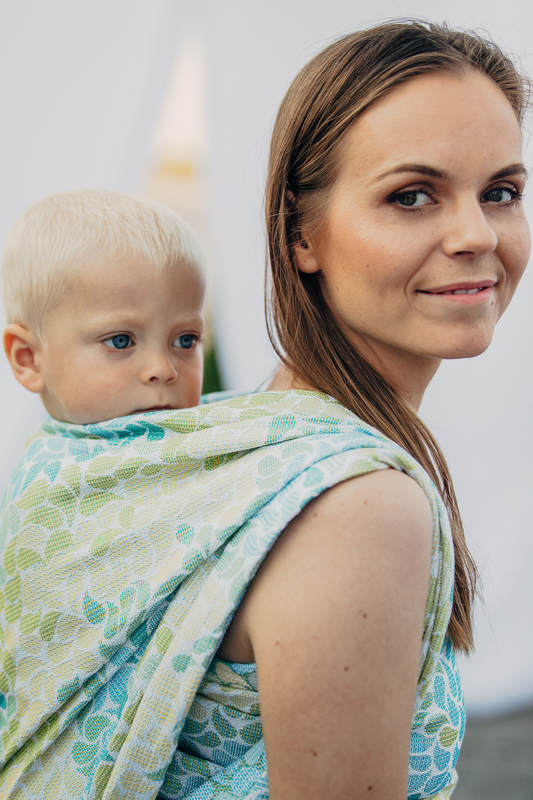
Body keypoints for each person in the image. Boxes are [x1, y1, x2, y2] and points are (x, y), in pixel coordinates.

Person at [0, 21, 529, 800]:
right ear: (299, 233)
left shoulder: (229, 439)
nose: (475, 234)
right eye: (411, 196)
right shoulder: (356, 505)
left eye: (501, 192)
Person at [1, 188, 206, 424]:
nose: (163, 370)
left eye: (186, 340)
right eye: (120, 341)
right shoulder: (51, 453)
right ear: (29, 359)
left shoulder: (226, 428)